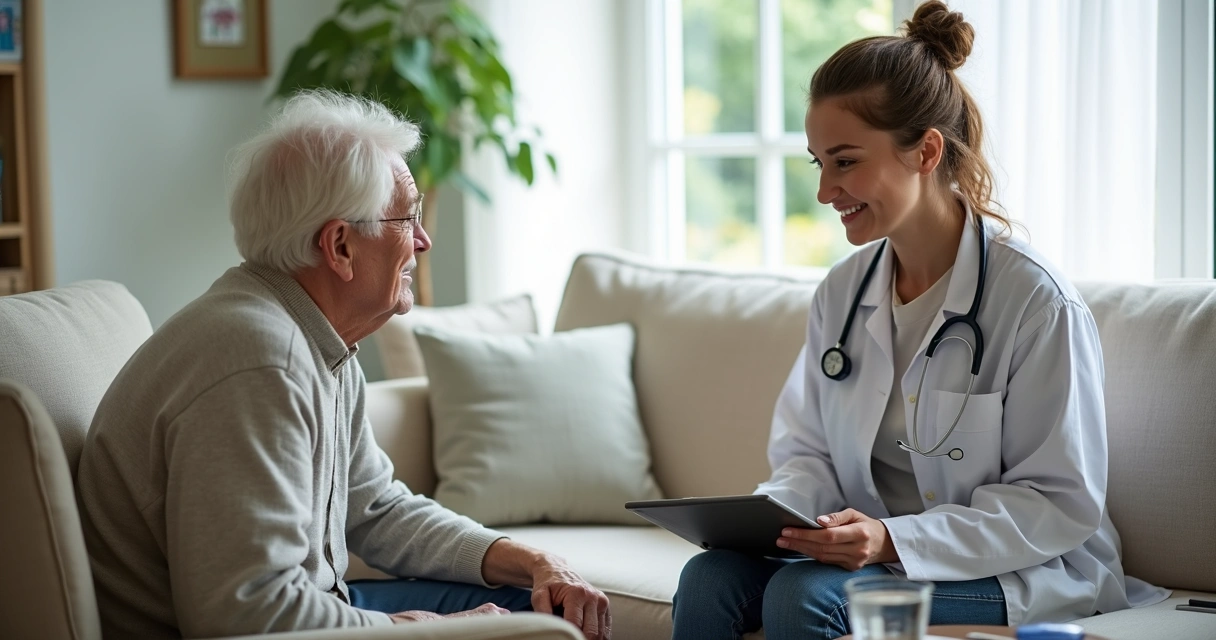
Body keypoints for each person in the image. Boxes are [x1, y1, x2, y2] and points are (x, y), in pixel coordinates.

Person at [671, 2, 1169, 639]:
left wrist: (890, 540)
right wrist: (792, 517)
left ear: (927, 151)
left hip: (1023, 566)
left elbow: (1058, 504)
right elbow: (807, 452)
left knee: (804, 596)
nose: (825, 191)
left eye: (846, 161)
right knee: (709, 575)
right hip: (872, 552)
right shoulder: (843, 293)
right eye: (818, 162)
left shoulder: (1035, 303)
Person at [76, 90, 611, 639]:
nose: (424, 241)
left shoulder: (310, 334)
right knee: (533, 629)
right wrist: (415, 627)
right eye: (409, 218)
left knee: (535, 603)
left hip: (324, 606)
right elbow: (246, 617)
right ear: (340, 247)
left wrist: (533, 560)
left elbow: (375, 507)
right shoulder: (261, 363)